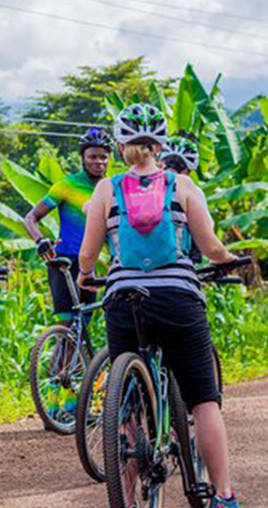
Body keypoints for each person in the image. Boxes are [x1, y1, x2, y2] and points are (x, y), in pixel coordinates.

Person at [78, 103, 241, 508]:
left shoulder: (106, 188)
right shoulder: (182, 186)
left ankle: (130, 498)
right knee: (204, 401)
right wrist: (228, 261)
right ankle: (223, 496)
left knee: (129, 407)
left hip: (123, 301)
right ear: (160, 144)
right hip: (178, 298)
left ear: (120, 144)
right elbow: (210, 247)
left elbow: (87, 256)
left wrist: (86, 276)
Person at [24, 126, 112, 325]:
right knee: (65, 326)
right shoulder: (67, 185)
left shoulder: (112, 189)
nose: (99, 162)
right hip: (64, 262)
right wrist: (39, 240)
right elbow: (30, 218)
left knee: (83, 329)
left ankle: (80, 358)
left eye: (104, 157)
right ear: (83, 158)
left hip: (91, 264)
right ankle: (58, 357)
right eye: (92, 157)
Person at [160, 134, 215, 261]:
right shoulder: (192, 190)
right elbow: (207, 232)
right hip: (182, 263)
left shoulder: (142, 184)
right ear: (187, 170)